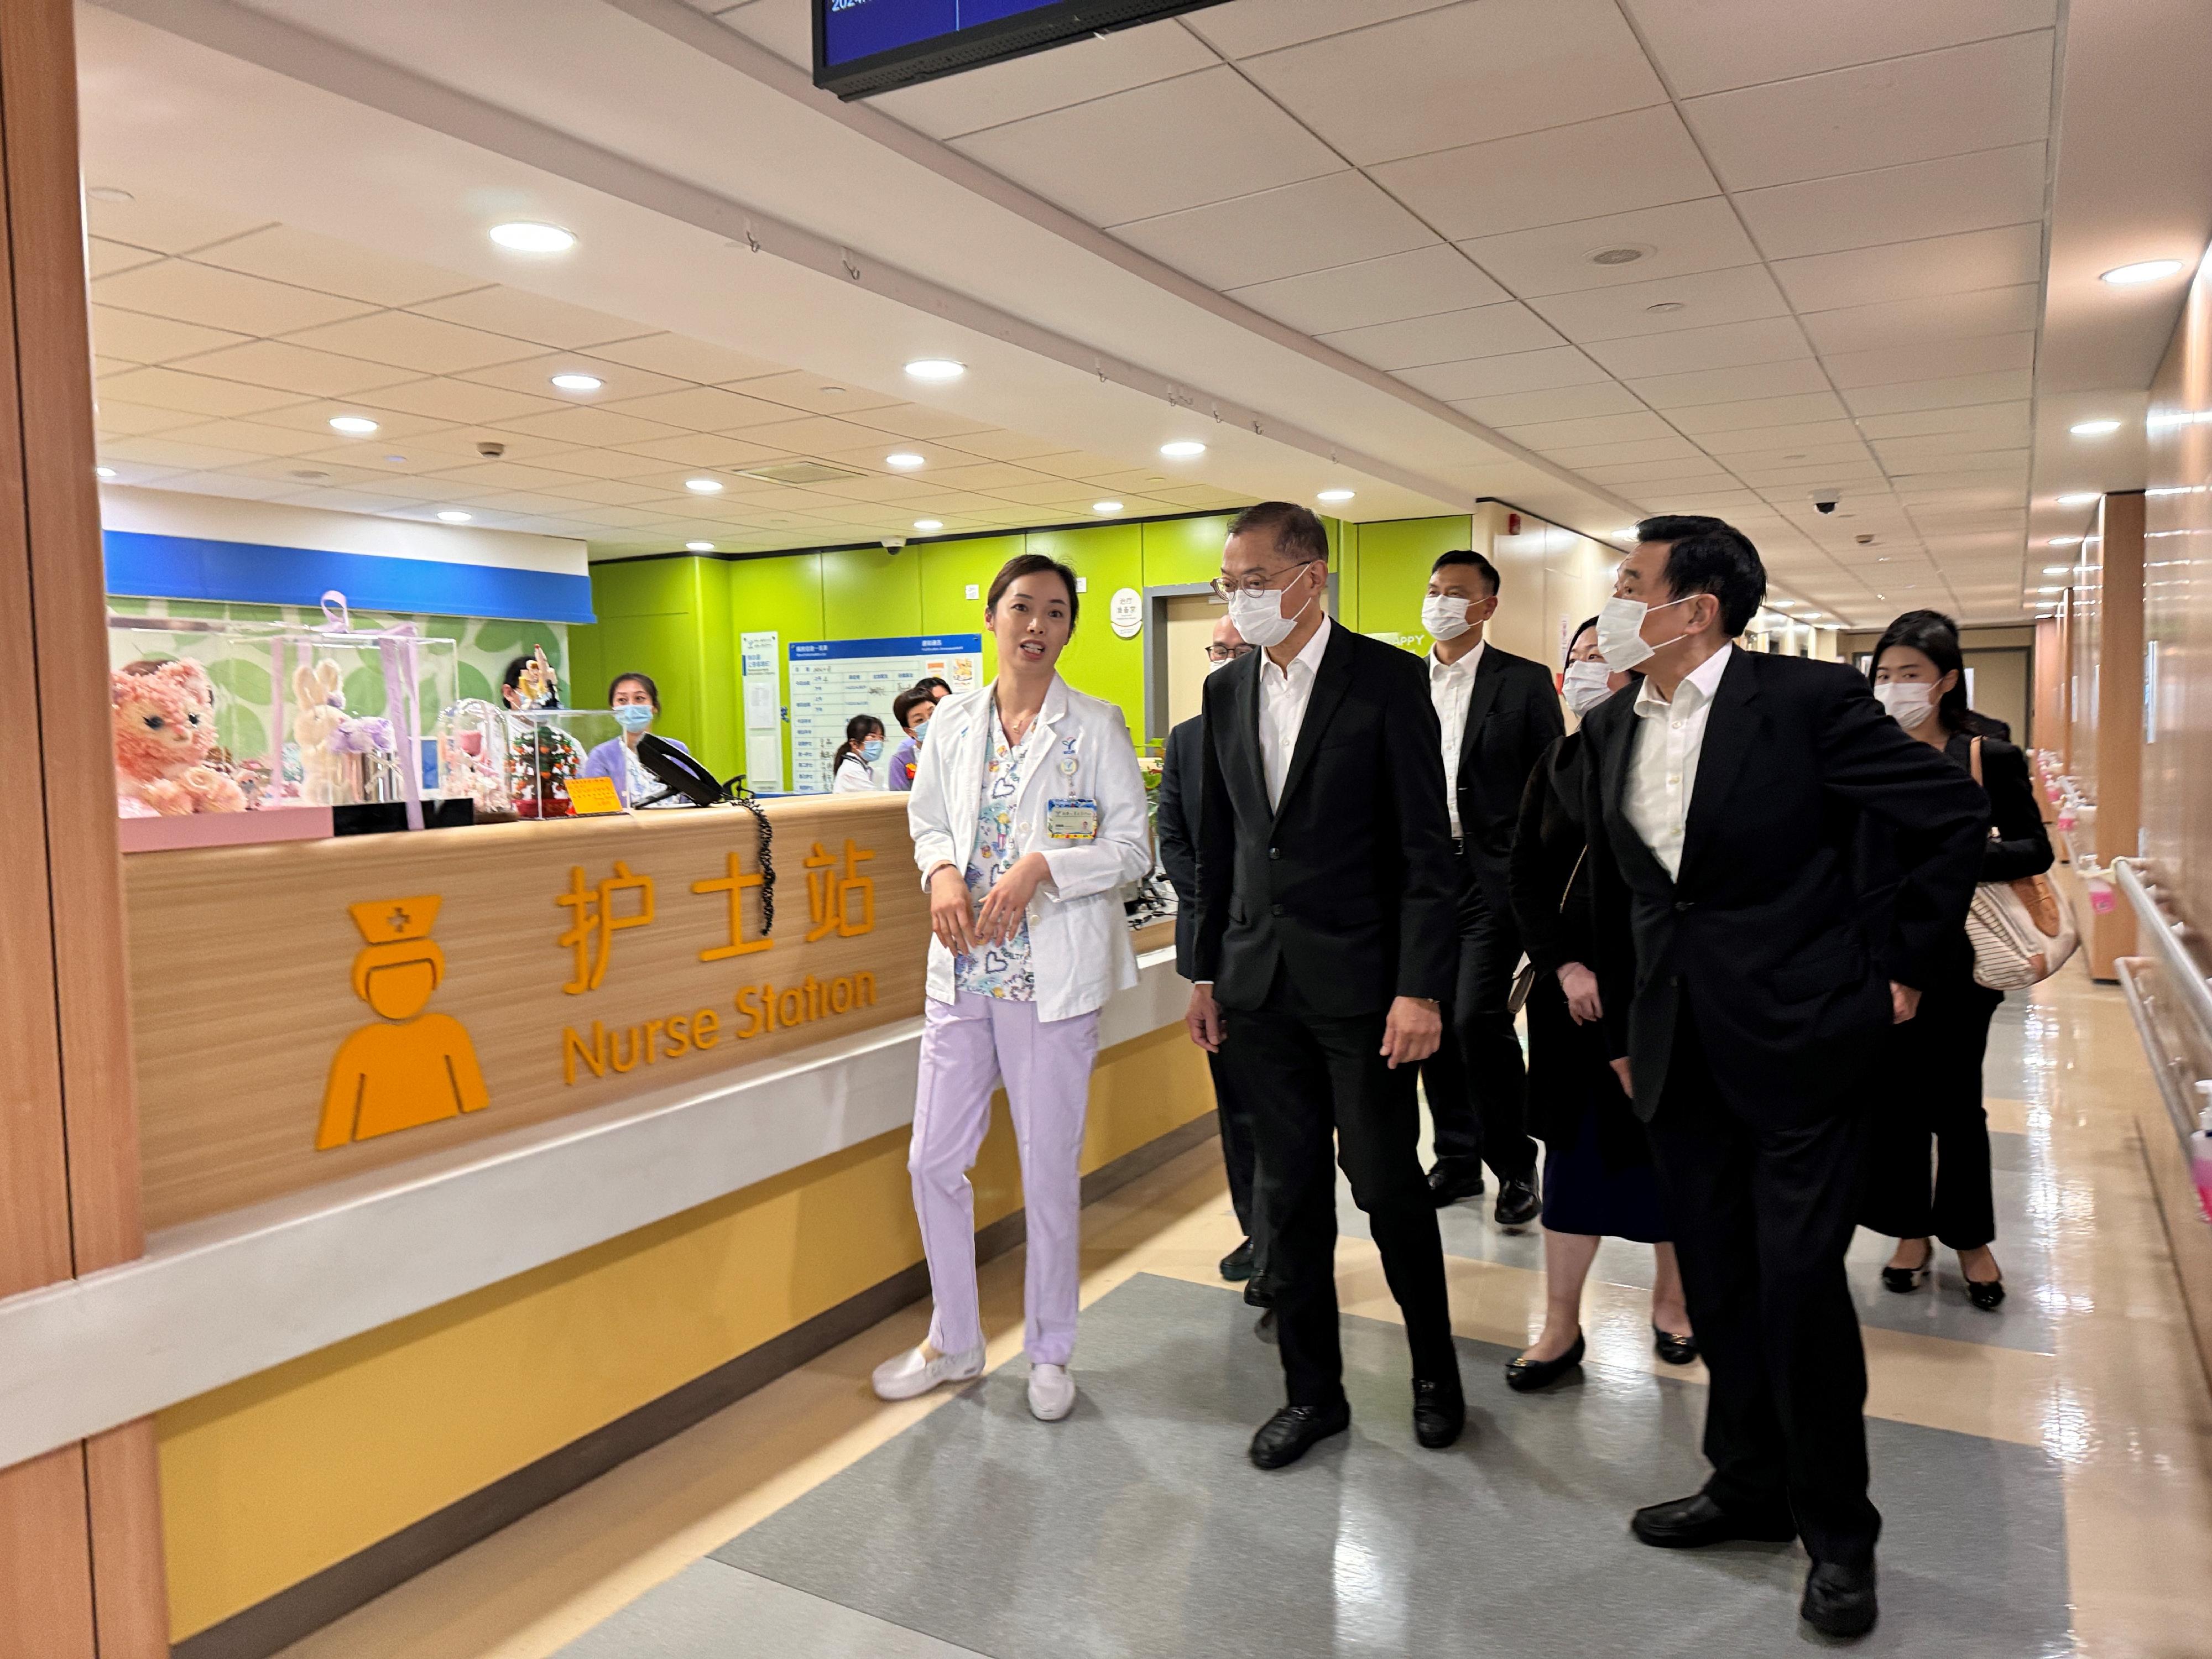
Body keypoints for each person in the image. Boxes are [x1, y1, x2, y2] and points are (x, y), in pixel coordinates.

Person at [1578, 516, 1987, 1640]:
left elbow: (1947, 815)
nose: (1614, 602)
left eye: (1629, 585)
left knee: (1799, 1285)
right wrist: (1618, 1024)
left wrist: (1898, 967)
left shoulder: (1802, 704)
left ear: (1694, 607)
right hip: (1678, 1051)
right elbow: (1631, 897)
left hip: (1803, 1040)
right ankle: (1744, 1485)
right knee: (1715, 1282)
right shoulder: (1613, 724)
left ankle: (1838, 1534)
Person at [1186, 502, 1464, 1470]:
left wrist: (1421, 988)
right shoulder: (1226, 697)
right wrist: (1204, 972)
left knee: (1387, 1186)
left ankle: (1436, 1371)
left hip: (1364, 992)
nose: (1240, 598)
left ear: (1311, 578)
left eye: (1253, 580)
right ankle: (1315, 1396)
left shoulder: (1386, 684)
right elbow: (1220, 853)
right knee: (1287, 1196)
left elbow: (1429, 852)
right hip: (1260, 990)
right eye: (1230, 583)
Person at [872, 554, 1151, 1423]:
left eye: (1056, 613)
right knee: (931, 1161)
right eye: (1022, 608)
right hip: (962, 976)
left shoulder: (1095, 727)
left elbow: (1135, 853)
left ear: (1069, 628)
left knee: (1047, 1171)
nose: (1037, 626)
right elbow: (927, 824)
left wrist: (1043, 867)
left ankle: (1050, 1349)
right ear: (991, 617)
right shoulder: (951, 724)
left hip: (1050, 982)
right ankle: (954, 1339)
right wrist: (943, 872)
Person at [1501, 619, 1692, 1392]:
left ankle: (1674, 1304)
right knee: (1573, 1163)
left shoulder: (1673, 758)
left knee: (1668, 1158)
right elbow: (1525, 877)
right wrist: (1564, 965)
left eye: (1597, 660)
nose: (1580, 673)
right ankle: (1559, 1326)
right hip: (1571, 1006)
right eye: (1573, 660)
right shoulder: (1562, 758)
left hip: (1658, 1004)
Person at [1861, 610, 2052, 1310]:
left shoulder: (1985, 755)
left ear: (1944, 681)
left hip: (1959, 960)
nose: (1892, 688)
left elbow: (2035, 849)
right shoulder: (1862, 753)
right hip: (1880, 954)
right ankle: (1908, 1232)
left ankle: (1970, 1240)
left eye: (1908, 675)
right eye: (1882, 675)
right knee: (1892, 1104)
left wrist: (1955, 854)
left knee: (1956, 1105)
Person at [1414, 549, 1562, 1225]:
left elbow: (1549, 787)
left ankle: (1514, 1161)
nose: (1441, 602)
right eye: (1434, 589)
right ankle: (1454, 1159)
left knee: (1477, 1016)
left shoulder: (1523, 683)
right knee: (1431, 1019)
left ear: (1486, 607)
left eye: (1456, 592)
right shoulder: (1405, 682)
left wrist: (1532, 878)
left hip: (1490, 876)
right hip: (1422, 876)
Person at [1155, 617, 1260, 1287]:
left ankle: (1290, 1242)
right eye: (1216, 649)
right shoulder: (1189, 741)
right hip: (1220, 955)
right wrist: (1211, 940)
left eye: (1235, 650)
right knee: (1238, 1107)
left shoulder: (1288, 733)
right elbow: (1176, 840)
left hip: (1295, 955)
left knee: (1293, 1116)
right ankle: (1259, 1231)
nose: (1223, 660)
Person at [577, 673, 692, 808]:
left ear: (654, 706)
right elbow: (594, 809)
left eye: (639, 698)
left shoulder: (677, 750)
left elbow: (695, 800)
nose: (631, 706)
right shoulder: (601, 755)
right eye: (622, 700)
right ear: (613, 709)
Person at [887, 686, 936, 793]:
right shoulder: (901, 762)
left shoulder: (960, 749)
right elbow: (899, 805)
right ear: (909, 731)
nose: (930, 721)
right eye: (919, 720)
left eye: (933, 714)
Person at [830, 714, 885, 793]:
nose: (878, 742)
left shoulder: (863, 768)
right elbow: (876, 798)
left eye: (881, 738)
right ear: (854, 744)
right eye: (872, 736)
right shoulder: (851, 771)